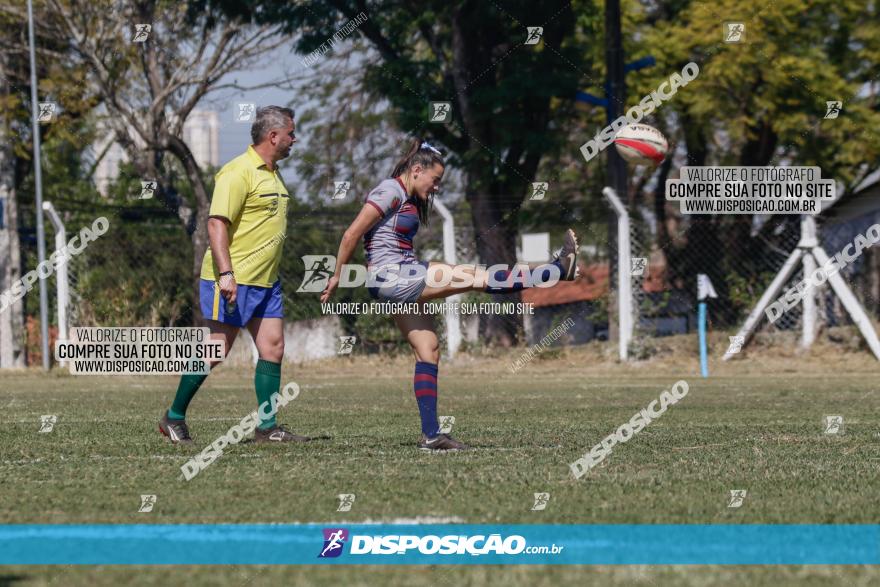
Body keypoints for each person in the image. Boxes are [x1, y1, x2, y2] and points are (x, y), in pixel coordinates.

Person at [320, 138, 579, 451]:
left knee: (428, 349)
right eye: (436, 180)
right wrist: (336, 276)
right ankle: (553, 271)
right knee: (474, 276)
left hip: (398, 276)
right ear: (417, 170)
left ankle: (432, 435)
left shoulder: (407, 194)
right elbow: (351, 233)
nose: (437, 187)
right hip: (393, 276)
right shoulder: (390, 190)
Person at [159, 105, 309, 444]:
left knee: (272, 347)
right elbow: (216, 223)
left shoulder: (272, 173)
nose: (294, 139)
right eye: (290, 133)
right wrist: (226, 273)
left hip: (266, 281)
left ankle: (267, 427)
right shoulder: (237, 171)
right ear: (273, 136)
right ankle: (173, 416)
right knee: (216, 351)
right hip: (232, 280)